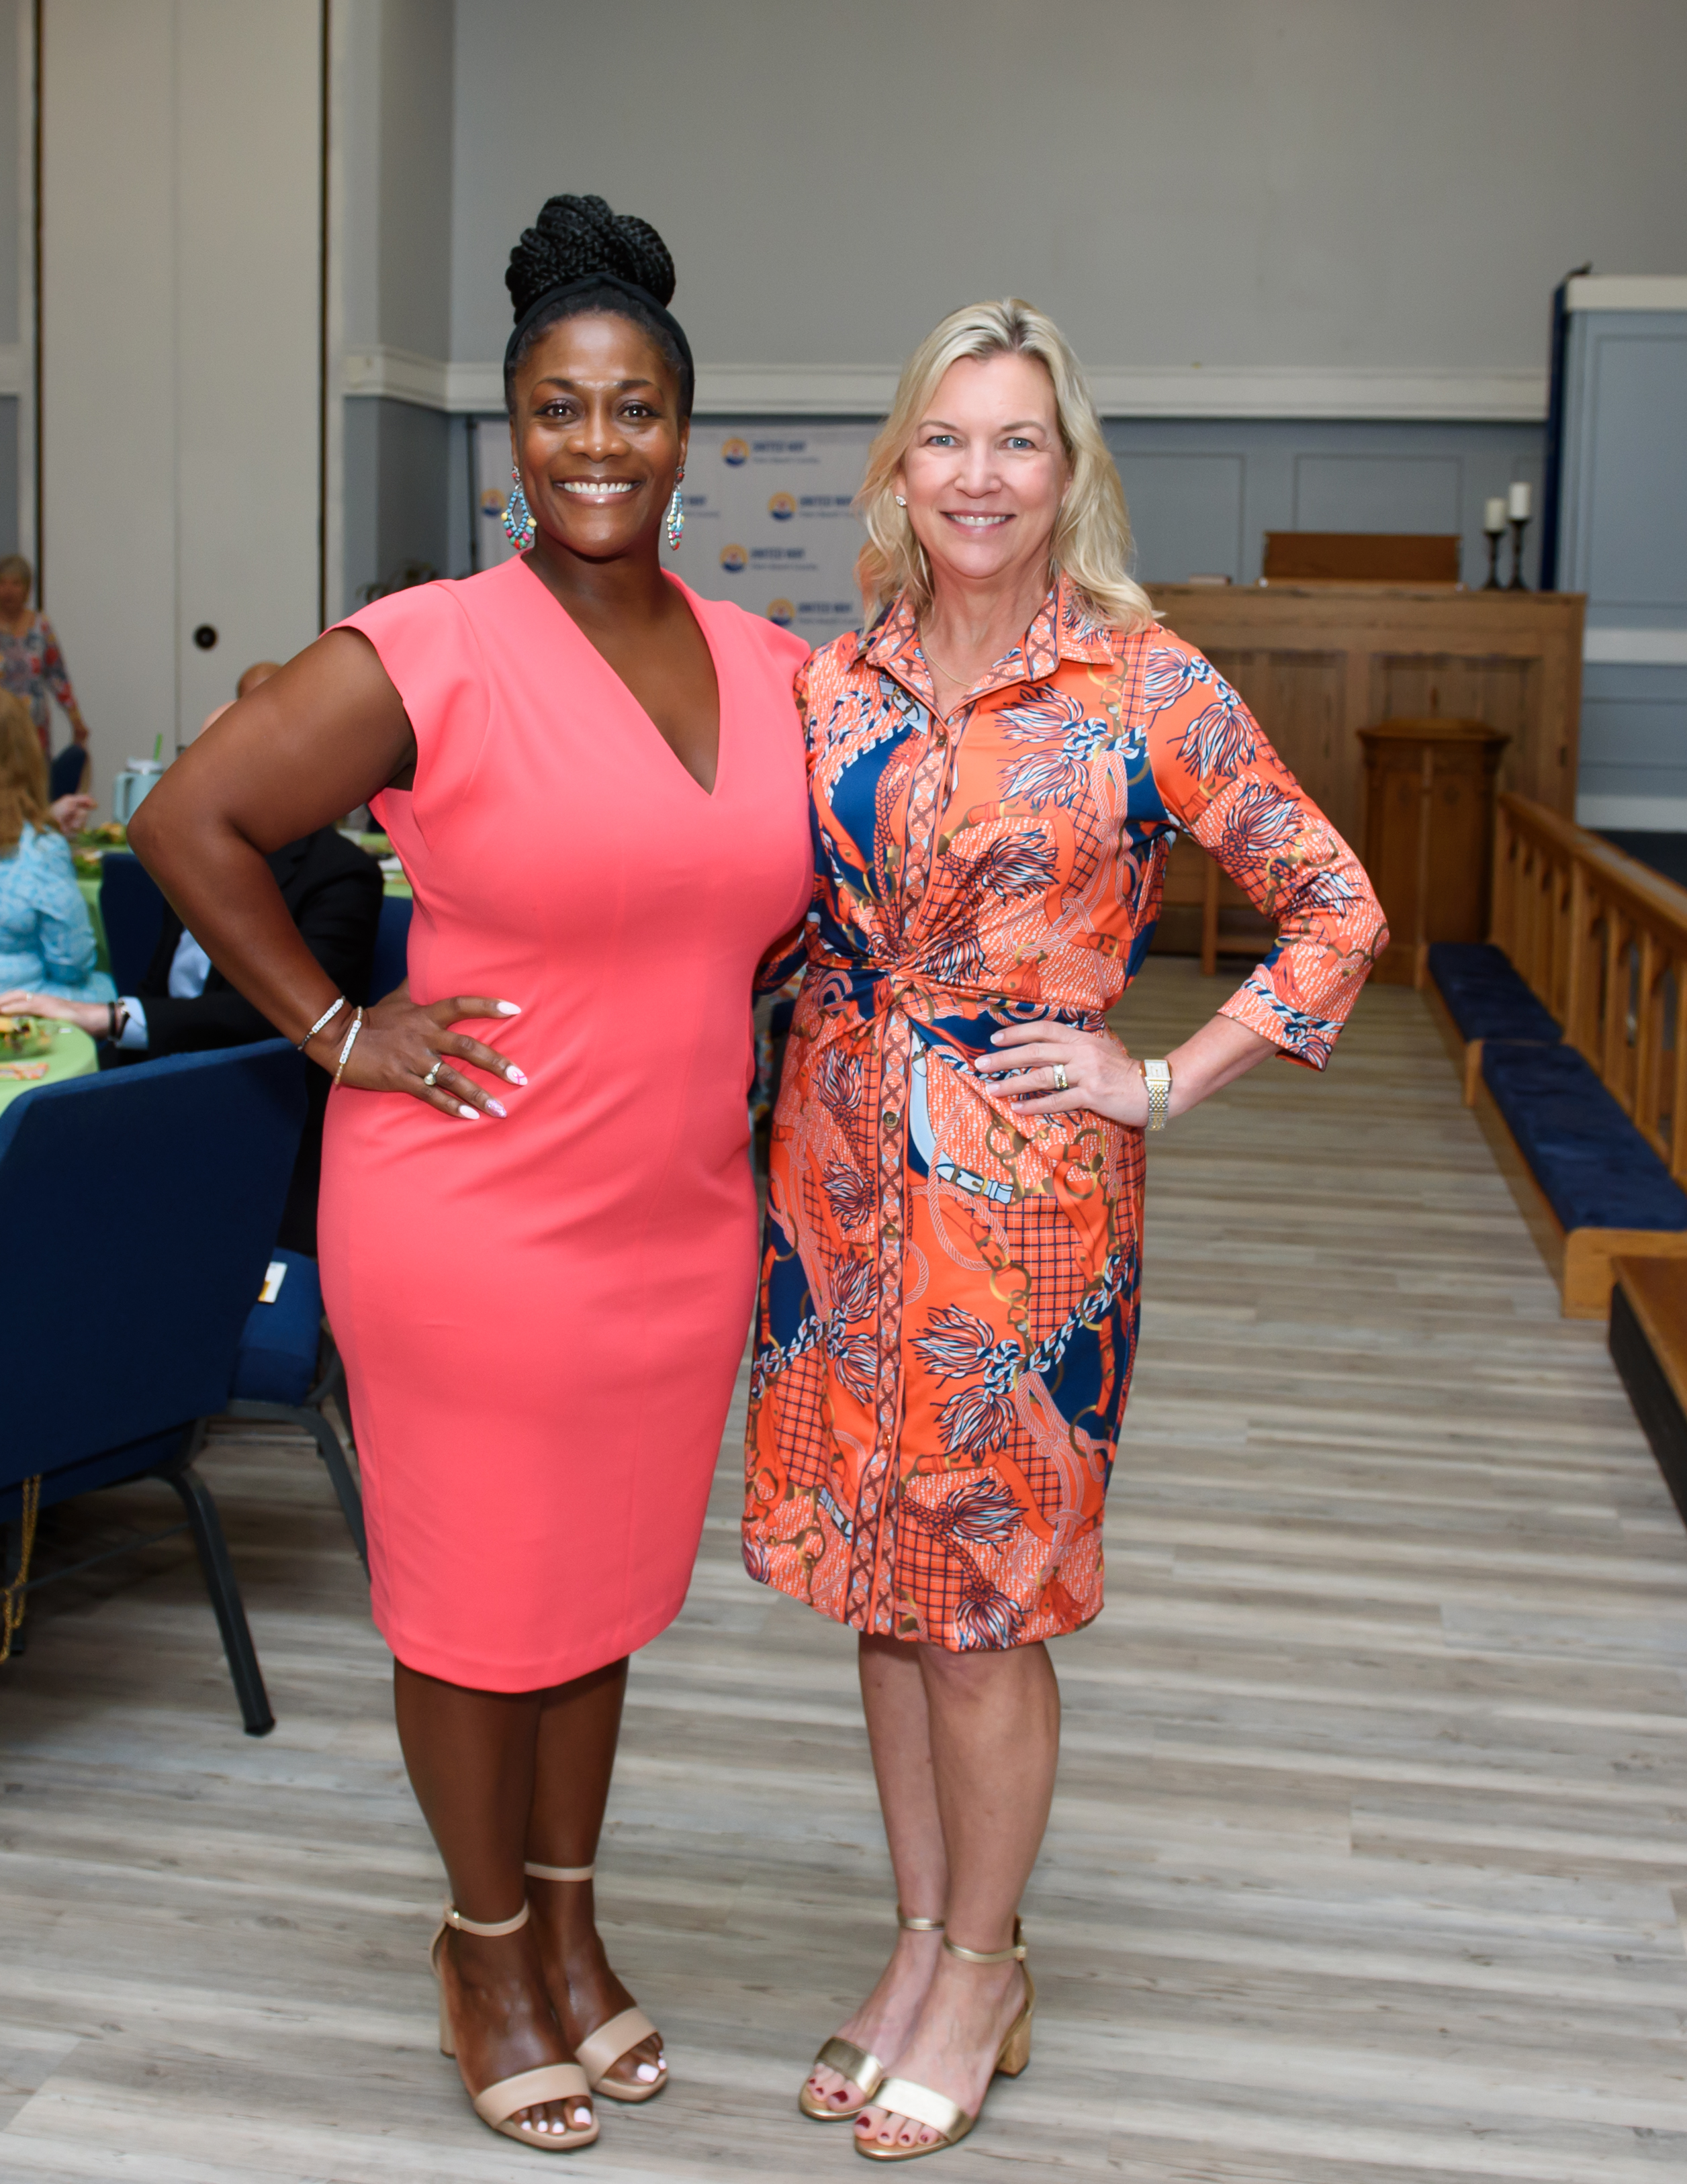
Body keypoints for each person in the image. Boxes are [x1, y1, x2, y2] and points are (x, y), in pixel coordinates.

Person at [129, 193, 811, 2152]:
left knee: (598, 1593)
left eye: (632, 407)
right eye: (556, 407)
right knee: (477, 1604)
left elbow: (784, 911)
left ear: (684, 432)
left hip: (678, 1218)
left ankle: (574, 1928)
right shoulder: (430, 648)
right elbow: (191, 819)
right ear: (510, 431)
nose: (596, 443)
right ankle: (483, 1943)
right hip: (474, 1211)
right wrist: (337, 1028)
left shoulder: (770, 664)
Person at [748, 299, 1387, 2163]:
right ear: (897, 464)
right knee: (879, 1595)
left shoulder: (1144, 682)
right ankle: (917, 1941)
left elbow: (1334, 907)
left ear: (1068, 471)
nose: (978, 474)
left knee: (978, 1613)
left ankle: (983, 1965)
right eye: (945, 437)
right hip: (834, 1192)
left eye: (1016, 439)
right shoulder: (834, 676)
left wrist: (1160, 1078)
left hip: (1018, 1220)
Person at [6, 819, 382, 1255]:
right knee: (32, 1124)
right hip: (163, 1067)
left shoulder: (339, 872)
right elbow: (160, 984)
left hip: (259, 1092)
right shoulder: (196, 846)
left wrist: (111, 1017)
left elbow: (290, 1015)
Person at [0, 692, 114, 1007]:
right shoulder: (40, 852)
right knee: (117, 994)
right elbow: (71, 963)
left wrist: (45, 819)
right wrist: (44, 836)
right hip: (16, 1004)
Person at [0, 555, 91, 755]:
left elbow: (58, 678)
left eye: (15, 583)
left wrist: (76, 720)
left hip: (34, 731)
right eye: (2, 583)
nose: (8, 591)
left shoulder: (41, 626)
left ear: (27, 590)